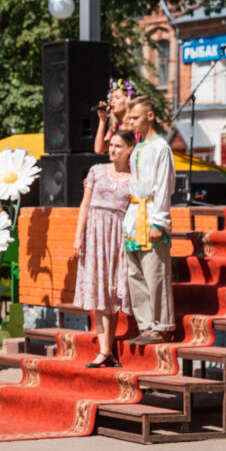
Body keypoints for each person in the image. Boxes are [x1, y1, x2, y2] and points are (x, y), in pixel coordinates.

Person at [73, 130, 136, 367]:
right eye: (111, 145)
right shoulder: (96, 171)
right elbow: (85, 204)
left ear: (130, 148)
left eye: (119, 146)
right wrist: (78, 236)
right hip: (95, 233)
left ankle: (107, 350)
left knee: (112, 290)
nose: (112, 149)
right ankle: (104, 350)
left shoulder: (134, 178)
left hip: (118, 235)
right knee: (97, 289)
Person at [123, 97, 176, 345]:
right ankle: (145, 325)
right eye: (130, 118)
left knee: (155, 272)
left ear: (150, 116)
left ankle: (162, 325)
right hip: (135, 215)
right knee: (135, 274)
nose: (131, 122)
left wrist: (158, 221)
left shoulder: (160, 147)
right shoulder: (138, 146)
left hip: (151, 211)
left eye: (135, 118)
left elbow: (164, 186)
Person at [94, 78, 135, 154]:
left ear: (128, 100)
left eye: (117, 98)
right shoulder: (114, 127)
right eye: (111, 98)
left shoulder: (135, 125)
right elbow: (99, 150)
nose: (112, 101)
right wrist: (102, 121)